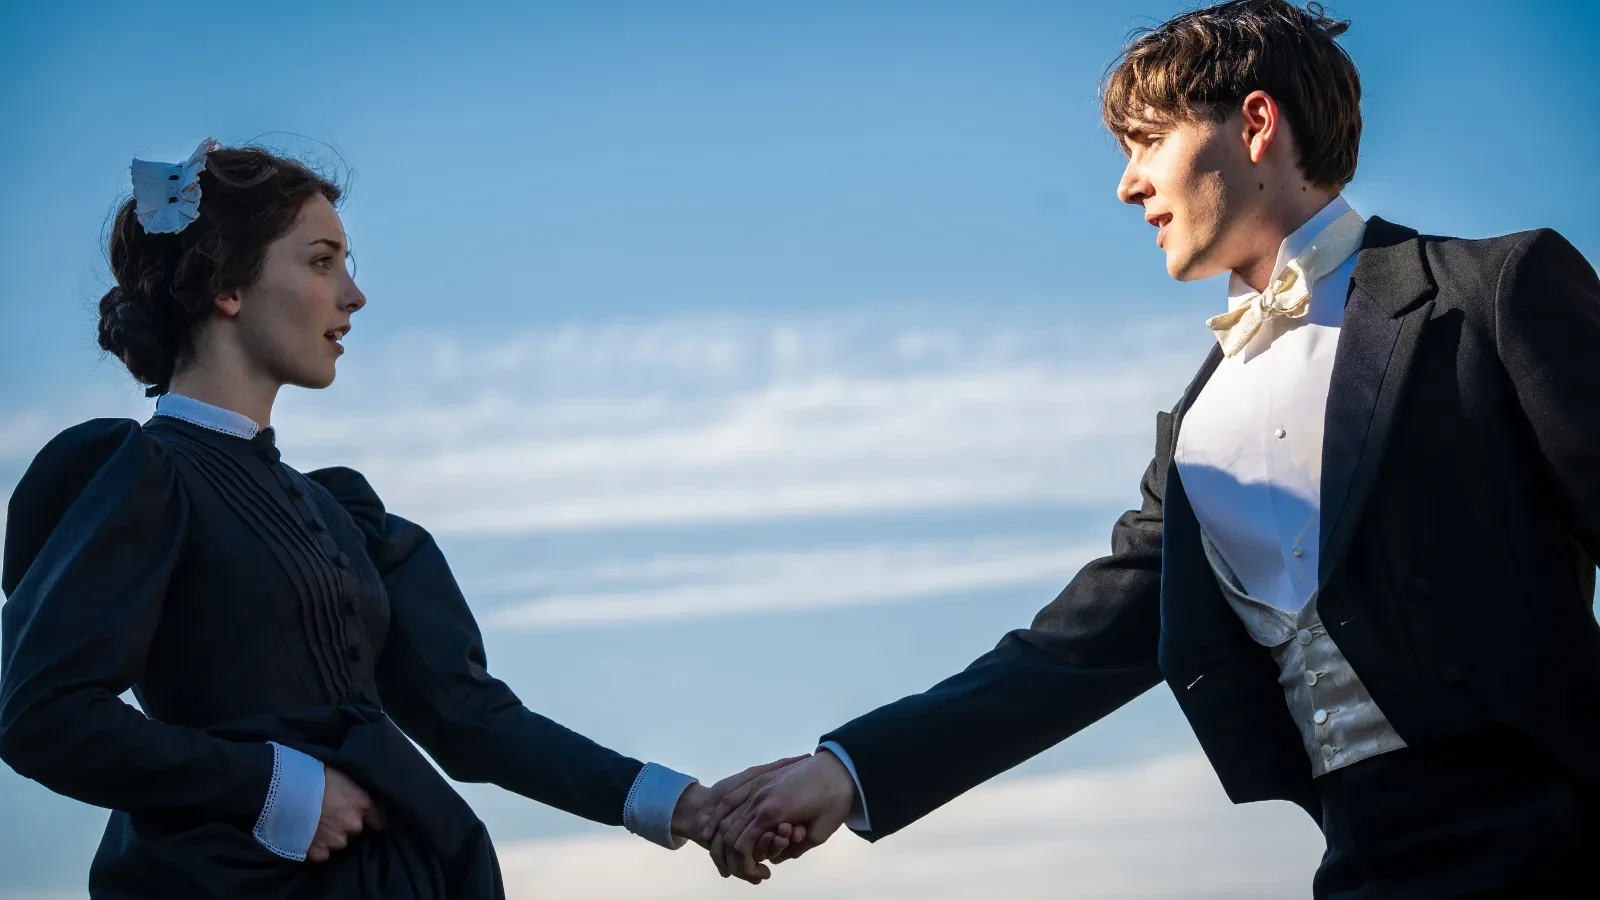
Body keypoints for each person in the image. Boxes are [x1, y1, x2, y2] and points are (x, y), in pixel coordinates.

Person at [701, 1, 1600, 895]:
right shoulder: (1198, 426)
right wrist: (845, 769)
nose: (1128, 185)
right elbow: (1067, 654)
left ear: (1255, 124)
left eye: (1148, 142)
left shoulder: (1491, 294)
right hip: (1362, 869)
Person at [0, 139, 794, 899]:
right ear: (227, 287)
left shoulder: (343, 512)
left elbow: (473, 720)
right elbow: (43, 715)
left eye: (347, 263)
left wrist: (684, 805)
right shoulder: (141, 475)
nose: (353, 293)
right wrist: (279, 789)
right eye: (321, 261)